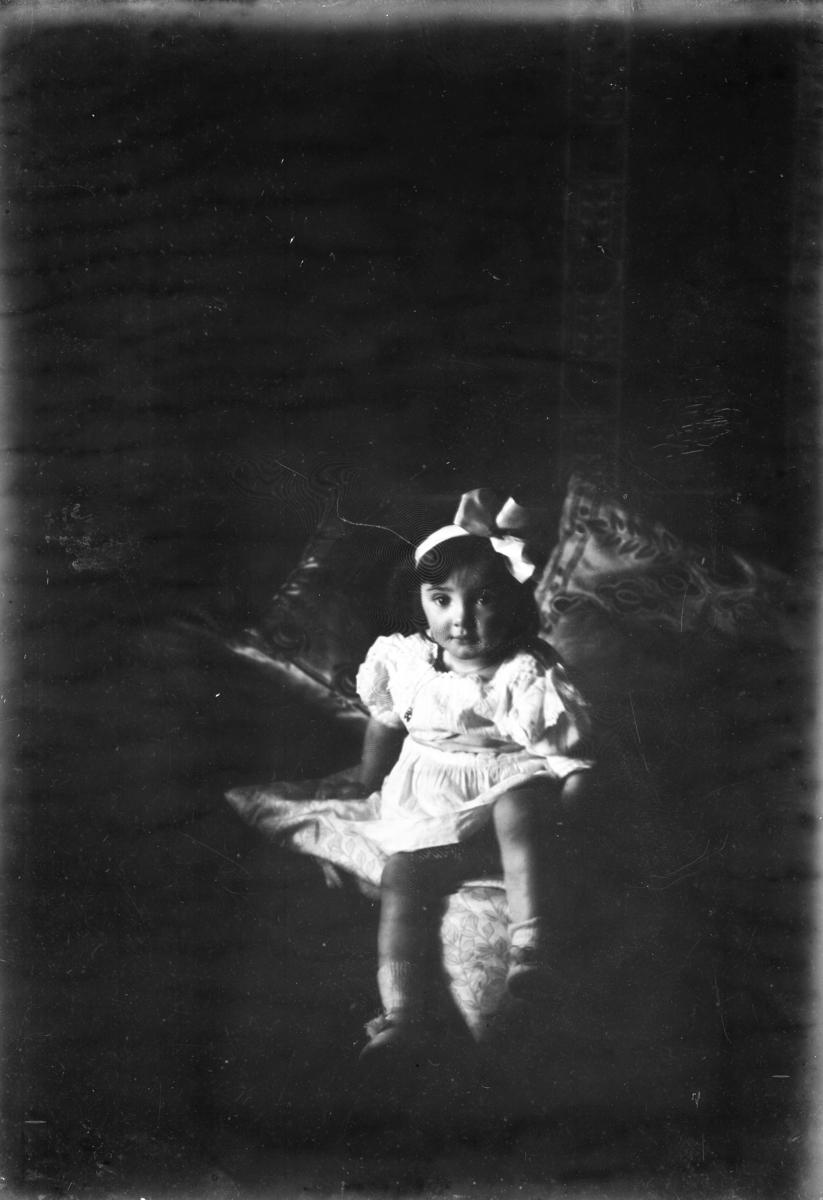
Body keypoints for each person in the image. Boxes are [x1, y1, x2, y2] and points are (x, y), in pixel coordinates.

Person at [227, 490, 594, 1059]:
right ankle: (402, 1015)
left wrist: (568, 830)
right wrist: (366, 783)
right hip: (433, 813)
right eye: (441, 599)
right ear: (420, 600)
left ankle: (532, 950)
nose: (460, 619)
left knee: (518, 805)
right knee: (402, 872)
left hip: (506, 803)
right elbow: (384, 724)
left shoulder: (525, 671)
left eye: (483, 599)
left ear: (515, 602)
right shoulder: (406, 660)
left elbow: (571, 760)